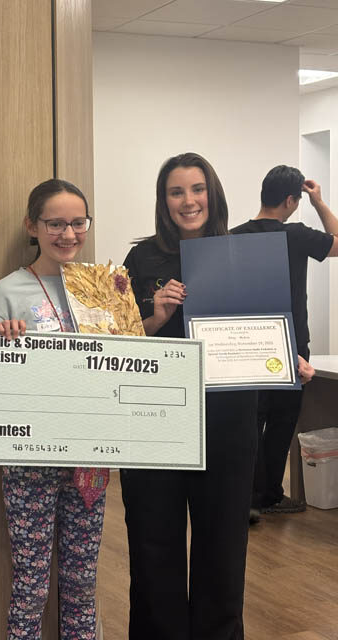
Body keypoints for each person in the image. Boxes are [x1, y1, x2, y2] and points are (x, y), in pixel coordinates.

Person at [121, 153, 259, 640]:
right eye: (176, 192)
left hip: (227, 420)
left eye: (197, 189)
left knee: (223, 545)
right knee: (153, 542)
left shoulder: (244, 254)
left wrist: (291, 358)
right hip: (154, 417)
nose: (188, 201)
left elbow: (267, 325)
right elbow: (117, 343)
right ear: (164, 201)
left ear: (212, 193)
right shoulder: (140, 260)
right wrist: (155, 316)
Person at [0, 179, 107, 640]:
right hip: (29, 459)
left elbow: (123, 358)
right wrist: (2, 342)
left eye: (78, 223)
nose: (68, 234)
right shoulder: (8, 291)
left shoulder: (101, 289)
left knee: (82, 583)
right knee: (31, 586)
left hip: (90, 457)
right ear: (32, 226)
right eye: (55, 224)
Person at [232, 166, 338, 522]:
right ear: (291, 200)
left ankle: (247, 496)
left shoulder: (233, 236)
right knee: (280, 423)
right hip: (290, 344)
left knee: (251, 420)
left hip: (244, 343)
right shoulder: (295, 234)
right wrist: (319, 201)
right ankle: (269, 496)